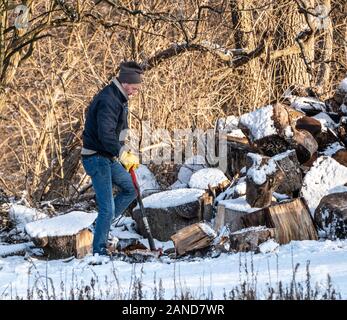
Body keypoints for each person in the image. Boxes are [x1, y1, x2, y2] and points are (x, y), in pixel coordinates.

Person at [81, 61, 143, 256]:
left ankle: (100, 227)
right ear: (125, 83)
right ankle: (99, 251)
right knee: (107, 208)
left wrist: (126, 150)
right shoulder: (109, 100)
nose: (135, 92)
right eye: (134, 87)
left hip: (107, 156)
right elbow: (106, 134)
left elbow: (118, 133)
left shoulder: (119, 98)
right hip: (96, 158)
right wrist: (121, 153)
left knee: (131, 189)